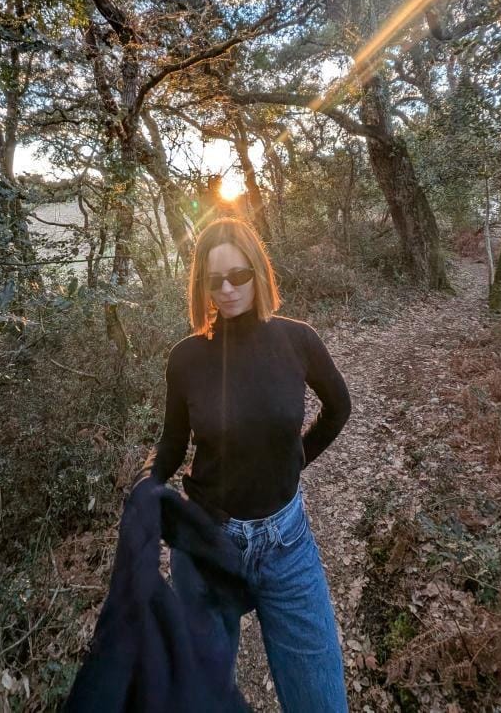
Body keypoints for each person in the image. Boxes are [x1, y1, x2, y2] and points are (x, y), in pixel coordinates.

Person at [133, 217, 352, 712]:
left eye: (238, 275)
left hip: (287, 545)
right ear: (201, 286)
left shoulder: (298, 341)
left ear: (258, 270)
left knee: (322, 702)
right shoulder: (186, 358)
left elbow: (339, 407)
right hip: (208, 546)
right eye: (214, 281)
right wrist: (149, 481)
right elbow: (171, 443)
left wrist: (299, 458)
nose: (227, 290)